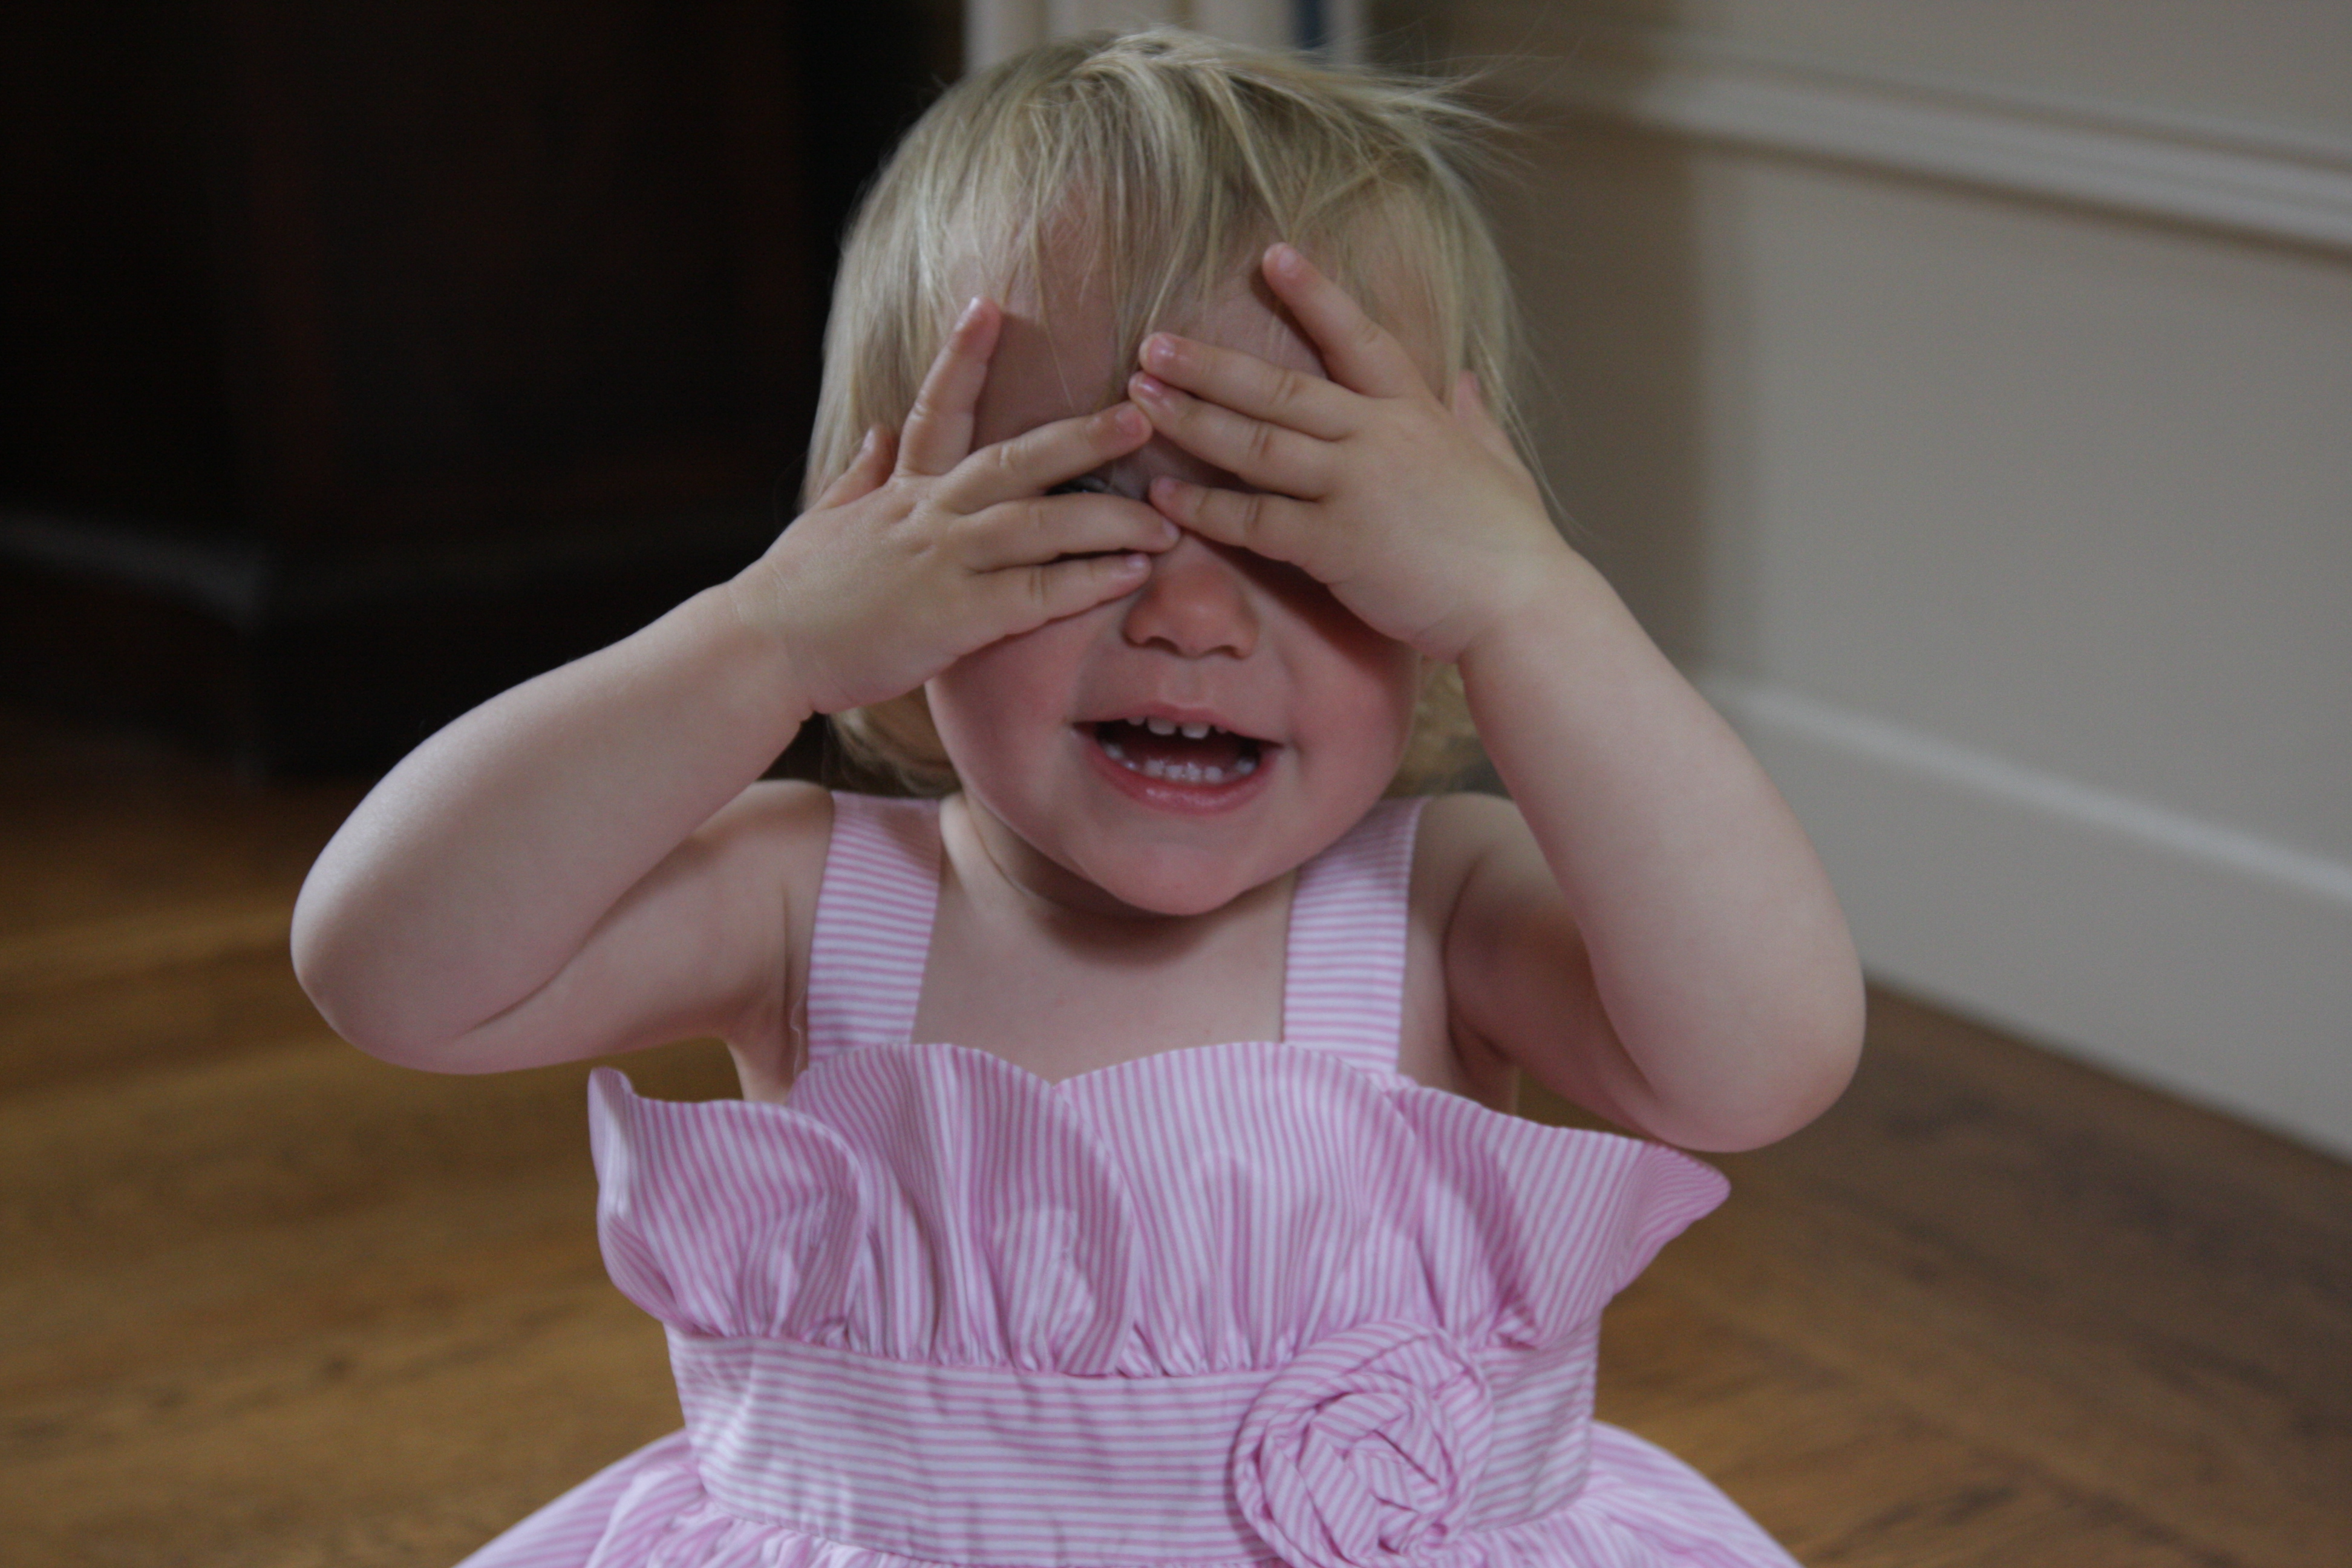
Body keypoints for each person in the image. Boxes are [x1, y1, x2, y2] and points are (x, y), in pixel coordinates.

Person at [292, 28, 1863, 1568]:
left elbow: (1759, 1067)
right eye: (1079, 509)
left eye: (1300, 521)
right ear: (881, 543)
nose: (1194, 614)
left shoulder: (1439, 909)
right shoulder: (809, 901)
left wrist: (1535, 610)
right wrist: (760, 645)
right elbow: (390, 973)